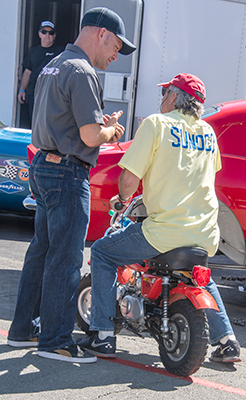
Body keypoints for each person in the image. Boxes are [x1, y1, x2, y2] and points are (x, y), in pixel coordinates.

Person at [78, 73, 241, 364]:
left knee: (103, 253)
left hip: (165, 231)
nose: (162, 97)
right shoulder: (207, 133)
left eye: (165, 91)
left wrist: (123, 201)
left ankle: (102, 335)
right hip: (205, 233)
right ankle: (227, 341)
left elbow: (129, 179)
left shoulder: (156, 124)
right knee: (197, 270)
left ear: (175, 97)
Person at [7, 7, 136, 363]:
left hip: (43, 164)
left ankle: (23, 330)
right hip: (66, 172)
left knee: (41, 253)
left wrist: (97, 126)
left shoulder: (55, 64)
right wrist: (110, 129)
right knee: (65, 259)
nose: (115, 55)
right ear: (101, 34)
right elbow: (92, 135)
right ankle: (56, 340)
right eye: (116, 46)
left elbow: (65, 119)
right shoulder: (82, 71)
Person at [18, 20, 64, 121]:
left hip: (52, 94)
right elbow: (27, 72)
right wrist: (22, 90)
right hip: (34, 93)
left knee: (48, 122)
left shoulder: (61, 52)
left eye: (50, 33)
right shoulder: (33, 51)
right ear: (39, 34)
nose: (47, 35)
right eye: (44, 32)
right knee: (34, 121)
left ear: (54, 35)